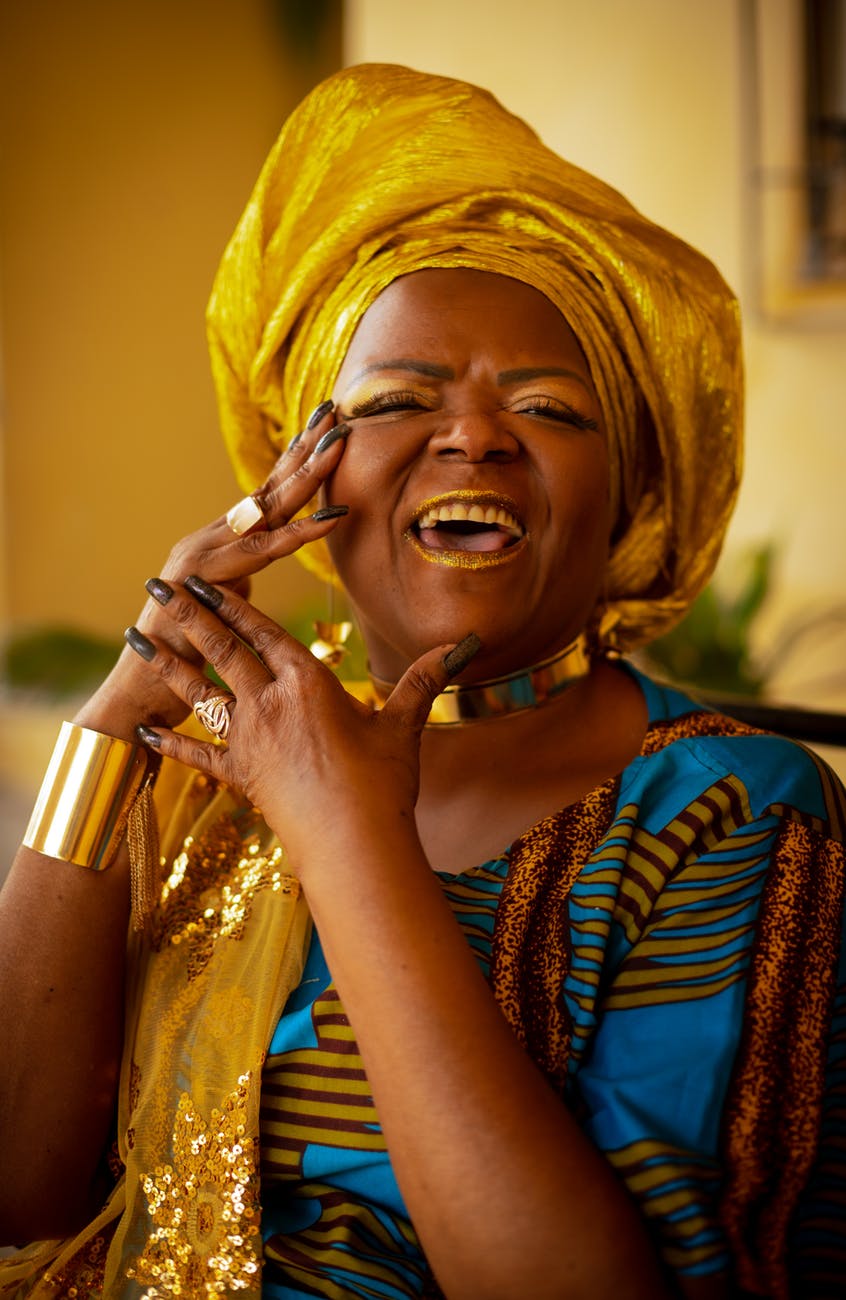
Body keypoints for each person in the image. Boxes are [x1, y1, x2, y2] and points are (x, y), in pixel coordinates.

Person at [0, 62, 843, 1300]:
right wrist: (115, 719)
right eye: (398, 398)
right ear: (307, 486)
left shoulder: (735, 809)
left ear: (629, 500)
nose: (475, 434)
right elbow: (22, 1190)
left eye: (550, 407)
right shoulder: (206, 759)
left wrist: (346, 838)